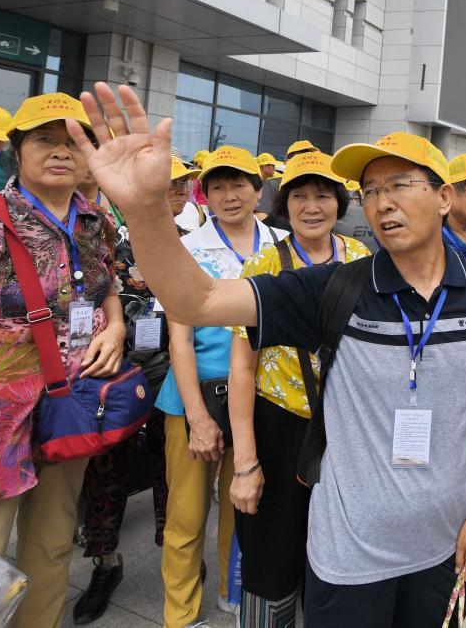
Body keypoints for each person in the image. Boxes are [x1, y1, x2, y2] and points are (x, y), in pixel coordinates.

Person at [66, 85, 466, 627]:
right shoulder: (335, 287)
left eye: (399, 184)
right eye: (371, 190)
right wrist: (145, 213)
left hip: (445, 544)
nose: (382, 202)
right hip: (351, 553)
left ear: (444, 196)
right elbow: (200, 299)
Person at [0, 92, 125, 627]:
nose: (60, 152)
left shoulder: (95, 223)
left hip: (68, 415)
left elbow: (107, 284)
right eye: (43, 139)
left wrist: (118, 323)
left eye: (72, 142)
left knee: (52, 547)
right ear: (16, 149)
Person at [228, 151, 371, 625]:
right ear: (285, 202)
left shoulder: (364, 261)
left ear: (340, 202)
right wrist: (246, 462)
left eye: (324, 195)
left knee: (340, 556)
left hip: (348, 431)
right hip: (280, 430)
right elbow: (243, 370)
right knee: (272, 560)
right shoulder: (264, 264)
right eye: (301, 196)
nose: (313, 206)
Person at [158, 145, 288, 626]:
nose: (229, 195)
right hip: (195, 398)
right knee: (187, 516)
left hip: (258, 400)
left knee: (246, 507)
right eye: (217, 186)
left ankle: (233, 592)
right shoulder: (186, 250)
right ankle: (180, 613)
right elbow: (179, 339)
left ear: (259, 188)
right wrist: (196, 420)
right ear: (204, 193)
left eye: (239, 184)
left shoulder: (283, 243)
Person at [73, 156, 199, 624]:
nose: (179, 193)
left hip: (175, 371)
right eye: (168, 185)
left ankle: (177, 559)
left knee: (175, 469)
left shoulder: (193, 245)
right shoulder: (108, 242)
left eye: (182, 185)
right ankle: (105, 563)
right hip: (116, 374)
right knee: (105, 470)